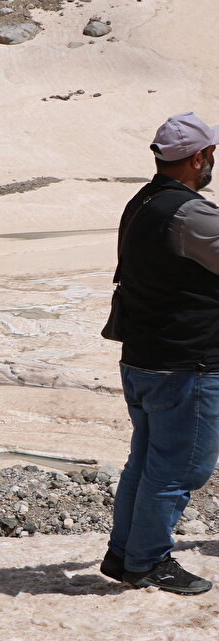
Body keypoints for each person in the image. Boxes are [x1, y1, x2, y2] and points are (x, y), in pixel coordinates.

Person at [101, 112, 219, 595]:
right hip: (186, 364)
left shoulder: (143, 201)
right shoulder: (191, 213)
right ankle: (148, 562)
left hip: (145, 359)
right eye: (211, 156)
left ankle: (124, 552)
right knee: (179, 469)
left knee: (146, 462)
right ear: (198, 158)